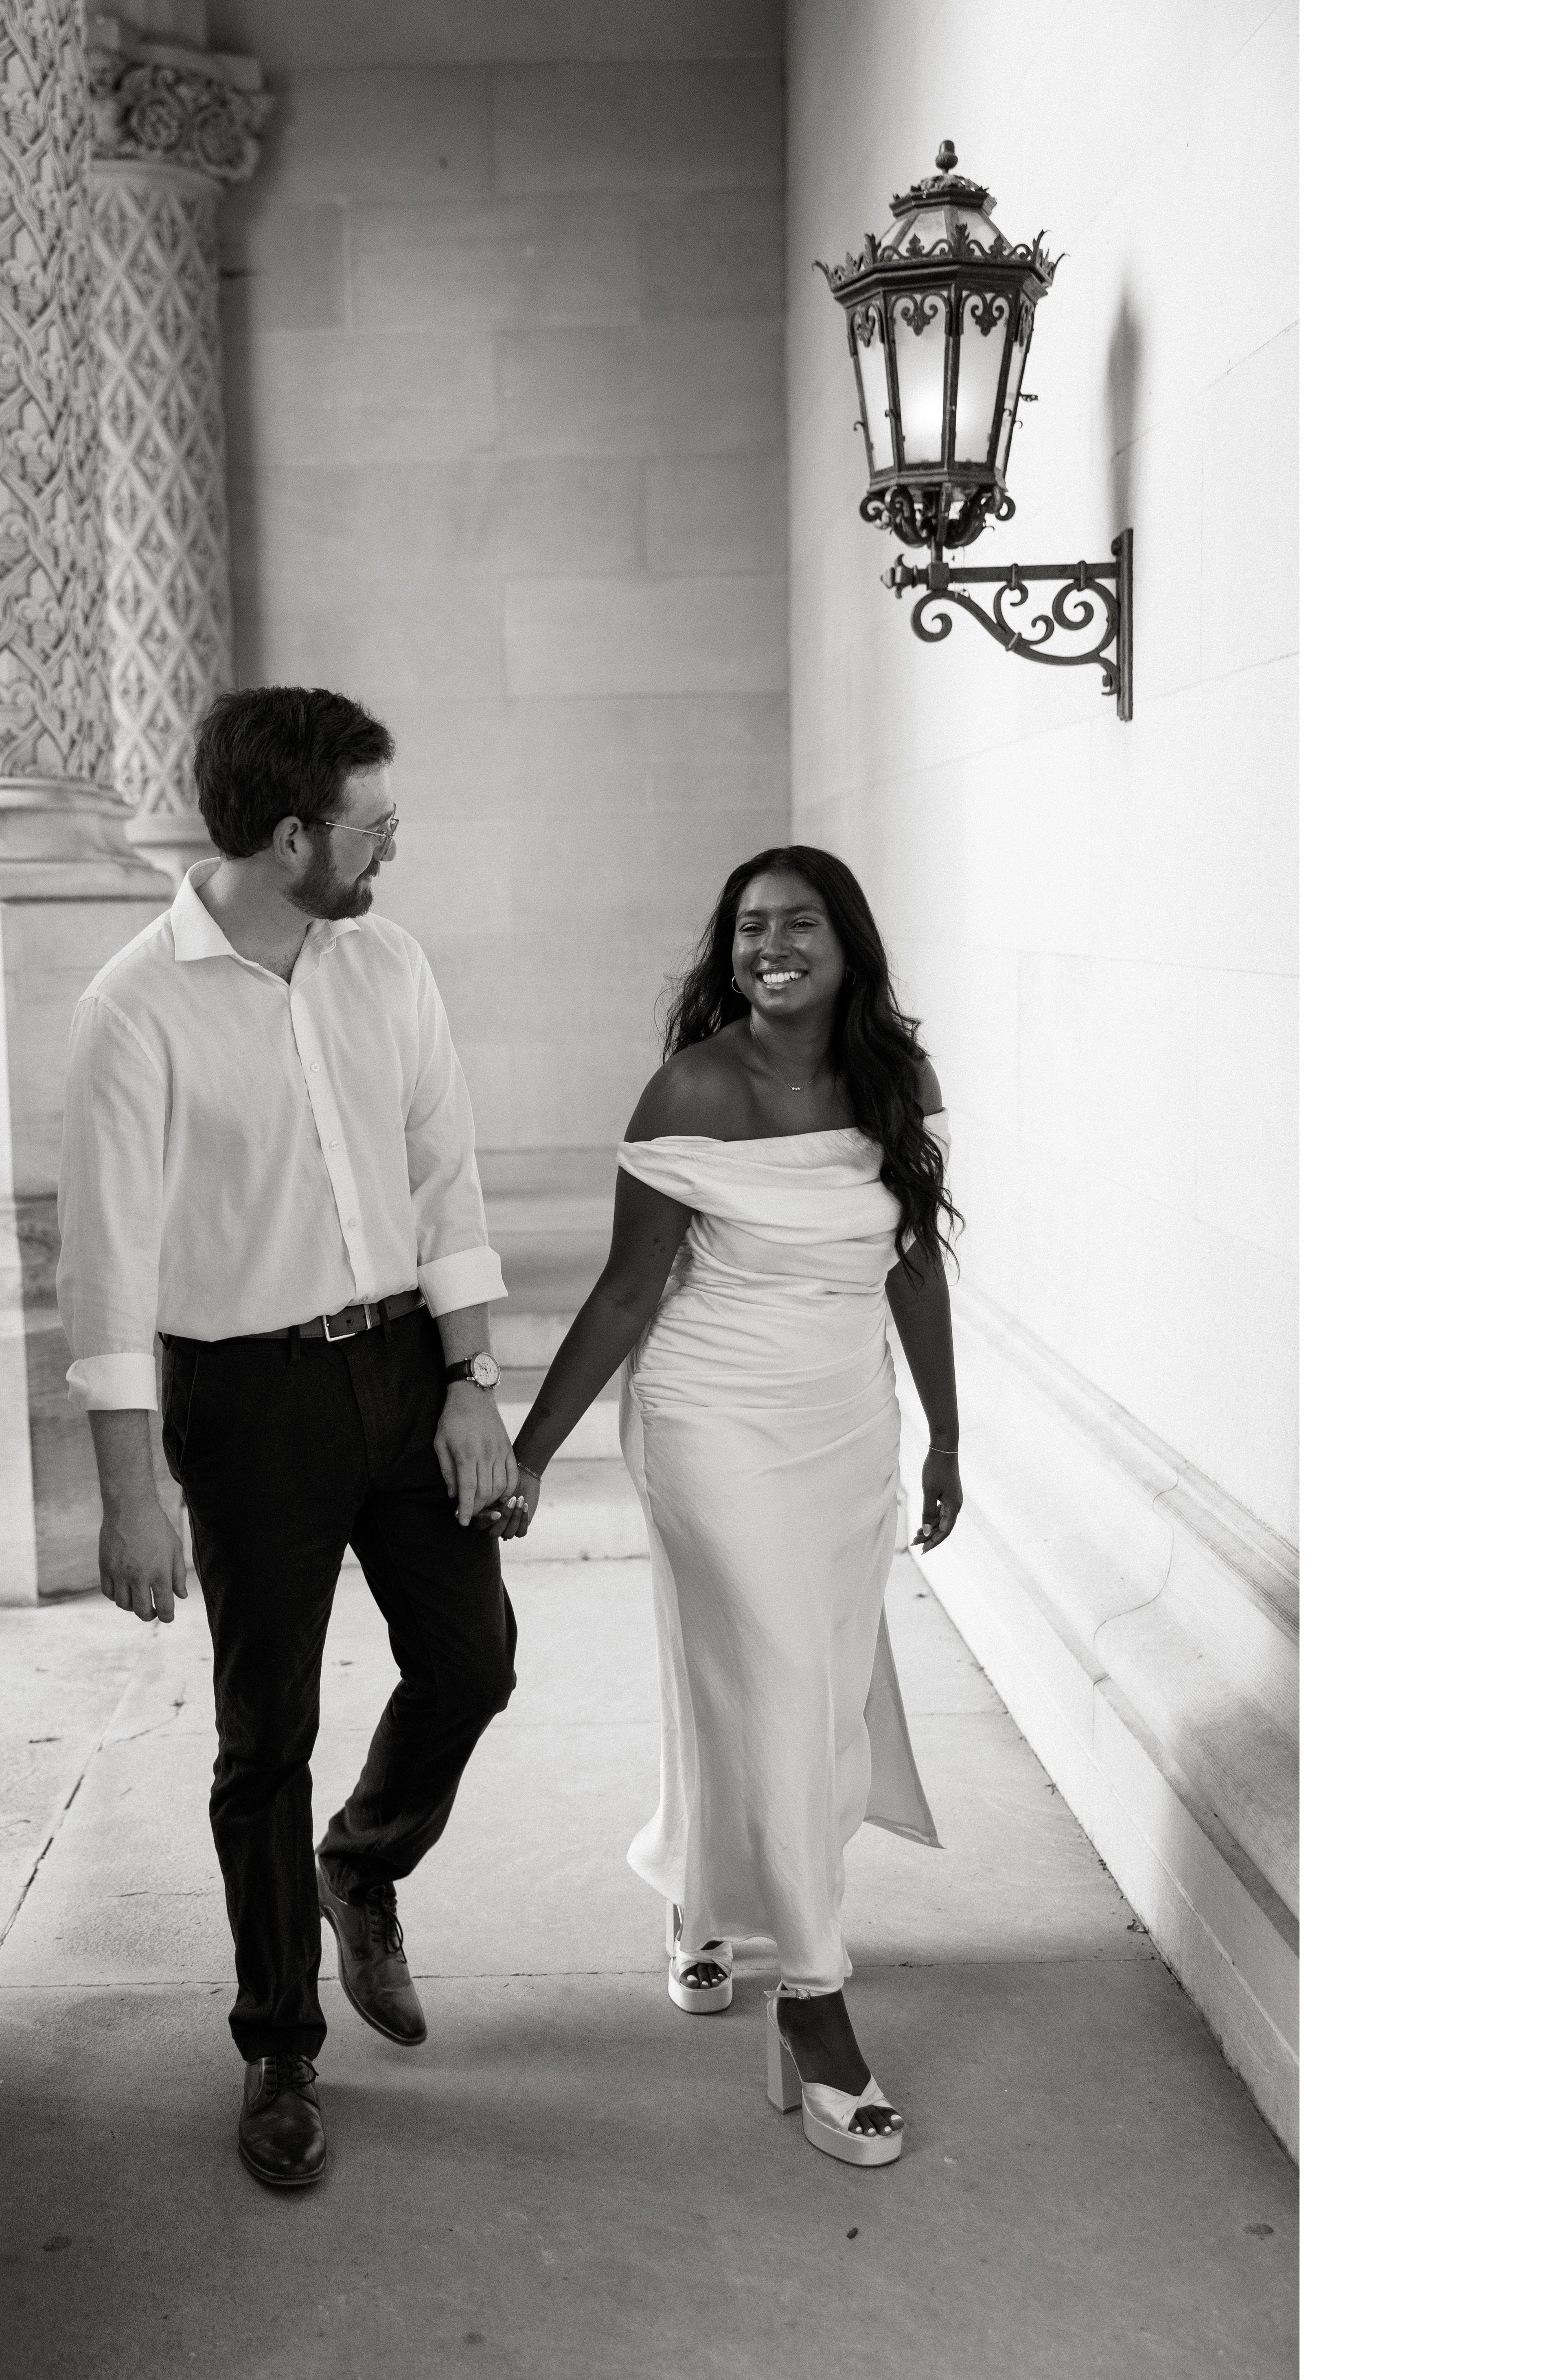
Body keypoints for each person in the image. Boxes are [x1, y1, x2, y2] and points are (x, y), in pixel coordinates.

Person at [56, 684, 522, 2191]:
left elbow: (444, 1175)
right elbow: (108, 1266)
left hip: (405, 1369)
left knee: (473, 1661)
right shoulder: (134, 1007)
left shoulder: (387, 963)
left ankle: (361, 1865)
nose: (394, 849)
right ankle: (279, 2047)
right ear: (288, 837)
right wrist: (132, 1494)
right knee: (267, 1736)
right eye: (372, 826)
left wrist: (473, 1379)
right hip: (246, 1400)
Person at [498, 845, 962, 2170]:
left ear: (848, 942)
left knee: (793, 1687)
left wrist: (945, 1436)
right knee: (777, 1678)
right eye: (751, 927)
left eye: (799, 923)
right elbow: (626, 1289)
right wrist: (533, 1453)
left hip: (845, 1423)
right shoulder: (693, 1088)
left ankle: (701, 1900)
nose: (773, 946)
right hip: (711, 1416)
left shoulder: (899, 1082)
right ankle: (814, 1999)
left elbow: (913, 1266)